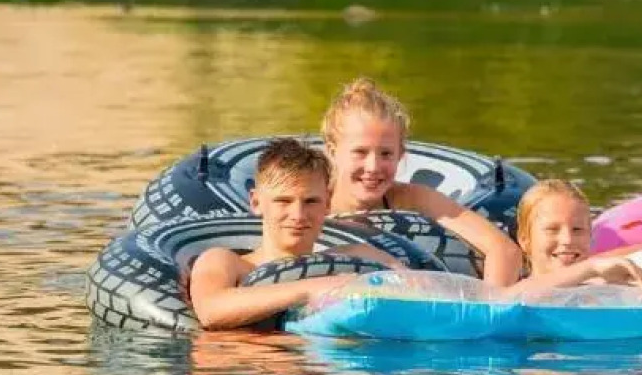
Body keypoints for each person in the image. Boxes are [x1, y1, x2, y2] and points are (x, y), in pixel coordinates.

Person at [321, 78, 523, 287]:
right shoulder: (309, 204)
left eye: (386, 154)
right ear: (332, 152)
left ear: (400, 155)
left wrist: (488, 309)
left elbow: (504, 249)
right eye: (360, 152)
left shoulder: (412, 199)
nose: (373, 166)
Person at [189, 138, 402, 331]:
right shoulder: (226, 262)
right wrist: (313, 289)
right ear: (256, 202)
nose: (298, 215)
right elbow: (210, 311)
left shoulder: (357, 256)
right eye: (283, 201)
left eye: (311, 201)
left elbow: (417, 286)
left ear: (327, 203)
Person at [508, 179, 642, 311]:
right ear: (525, 240)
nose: (567, 239)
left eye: (577, 230)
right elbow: (508, 298)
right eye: (552, 229)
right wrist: (591, 267)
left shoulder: (604, 286)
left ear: (590, 237)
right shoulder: (516, 293)